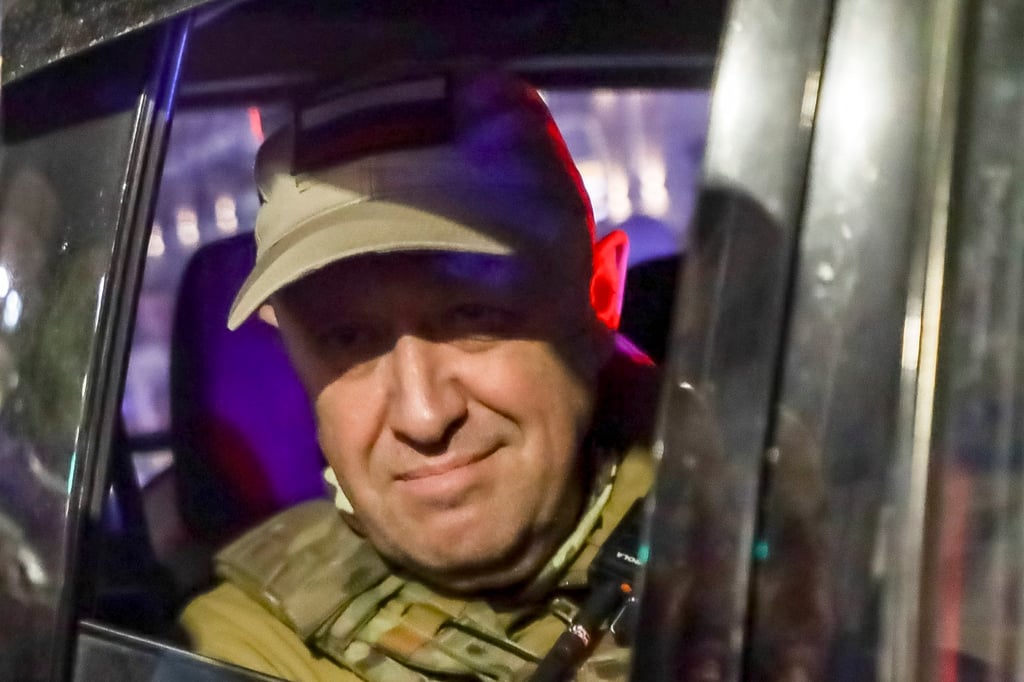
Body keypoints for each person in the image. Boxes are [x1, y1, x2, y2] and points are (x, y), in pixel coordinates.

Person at [179, 69, 661, 682]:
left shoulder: (765, 555)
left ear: (599, 297)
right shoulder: (247, 649)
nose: (423, 416)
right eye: (347, 339)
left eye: (473, 316)